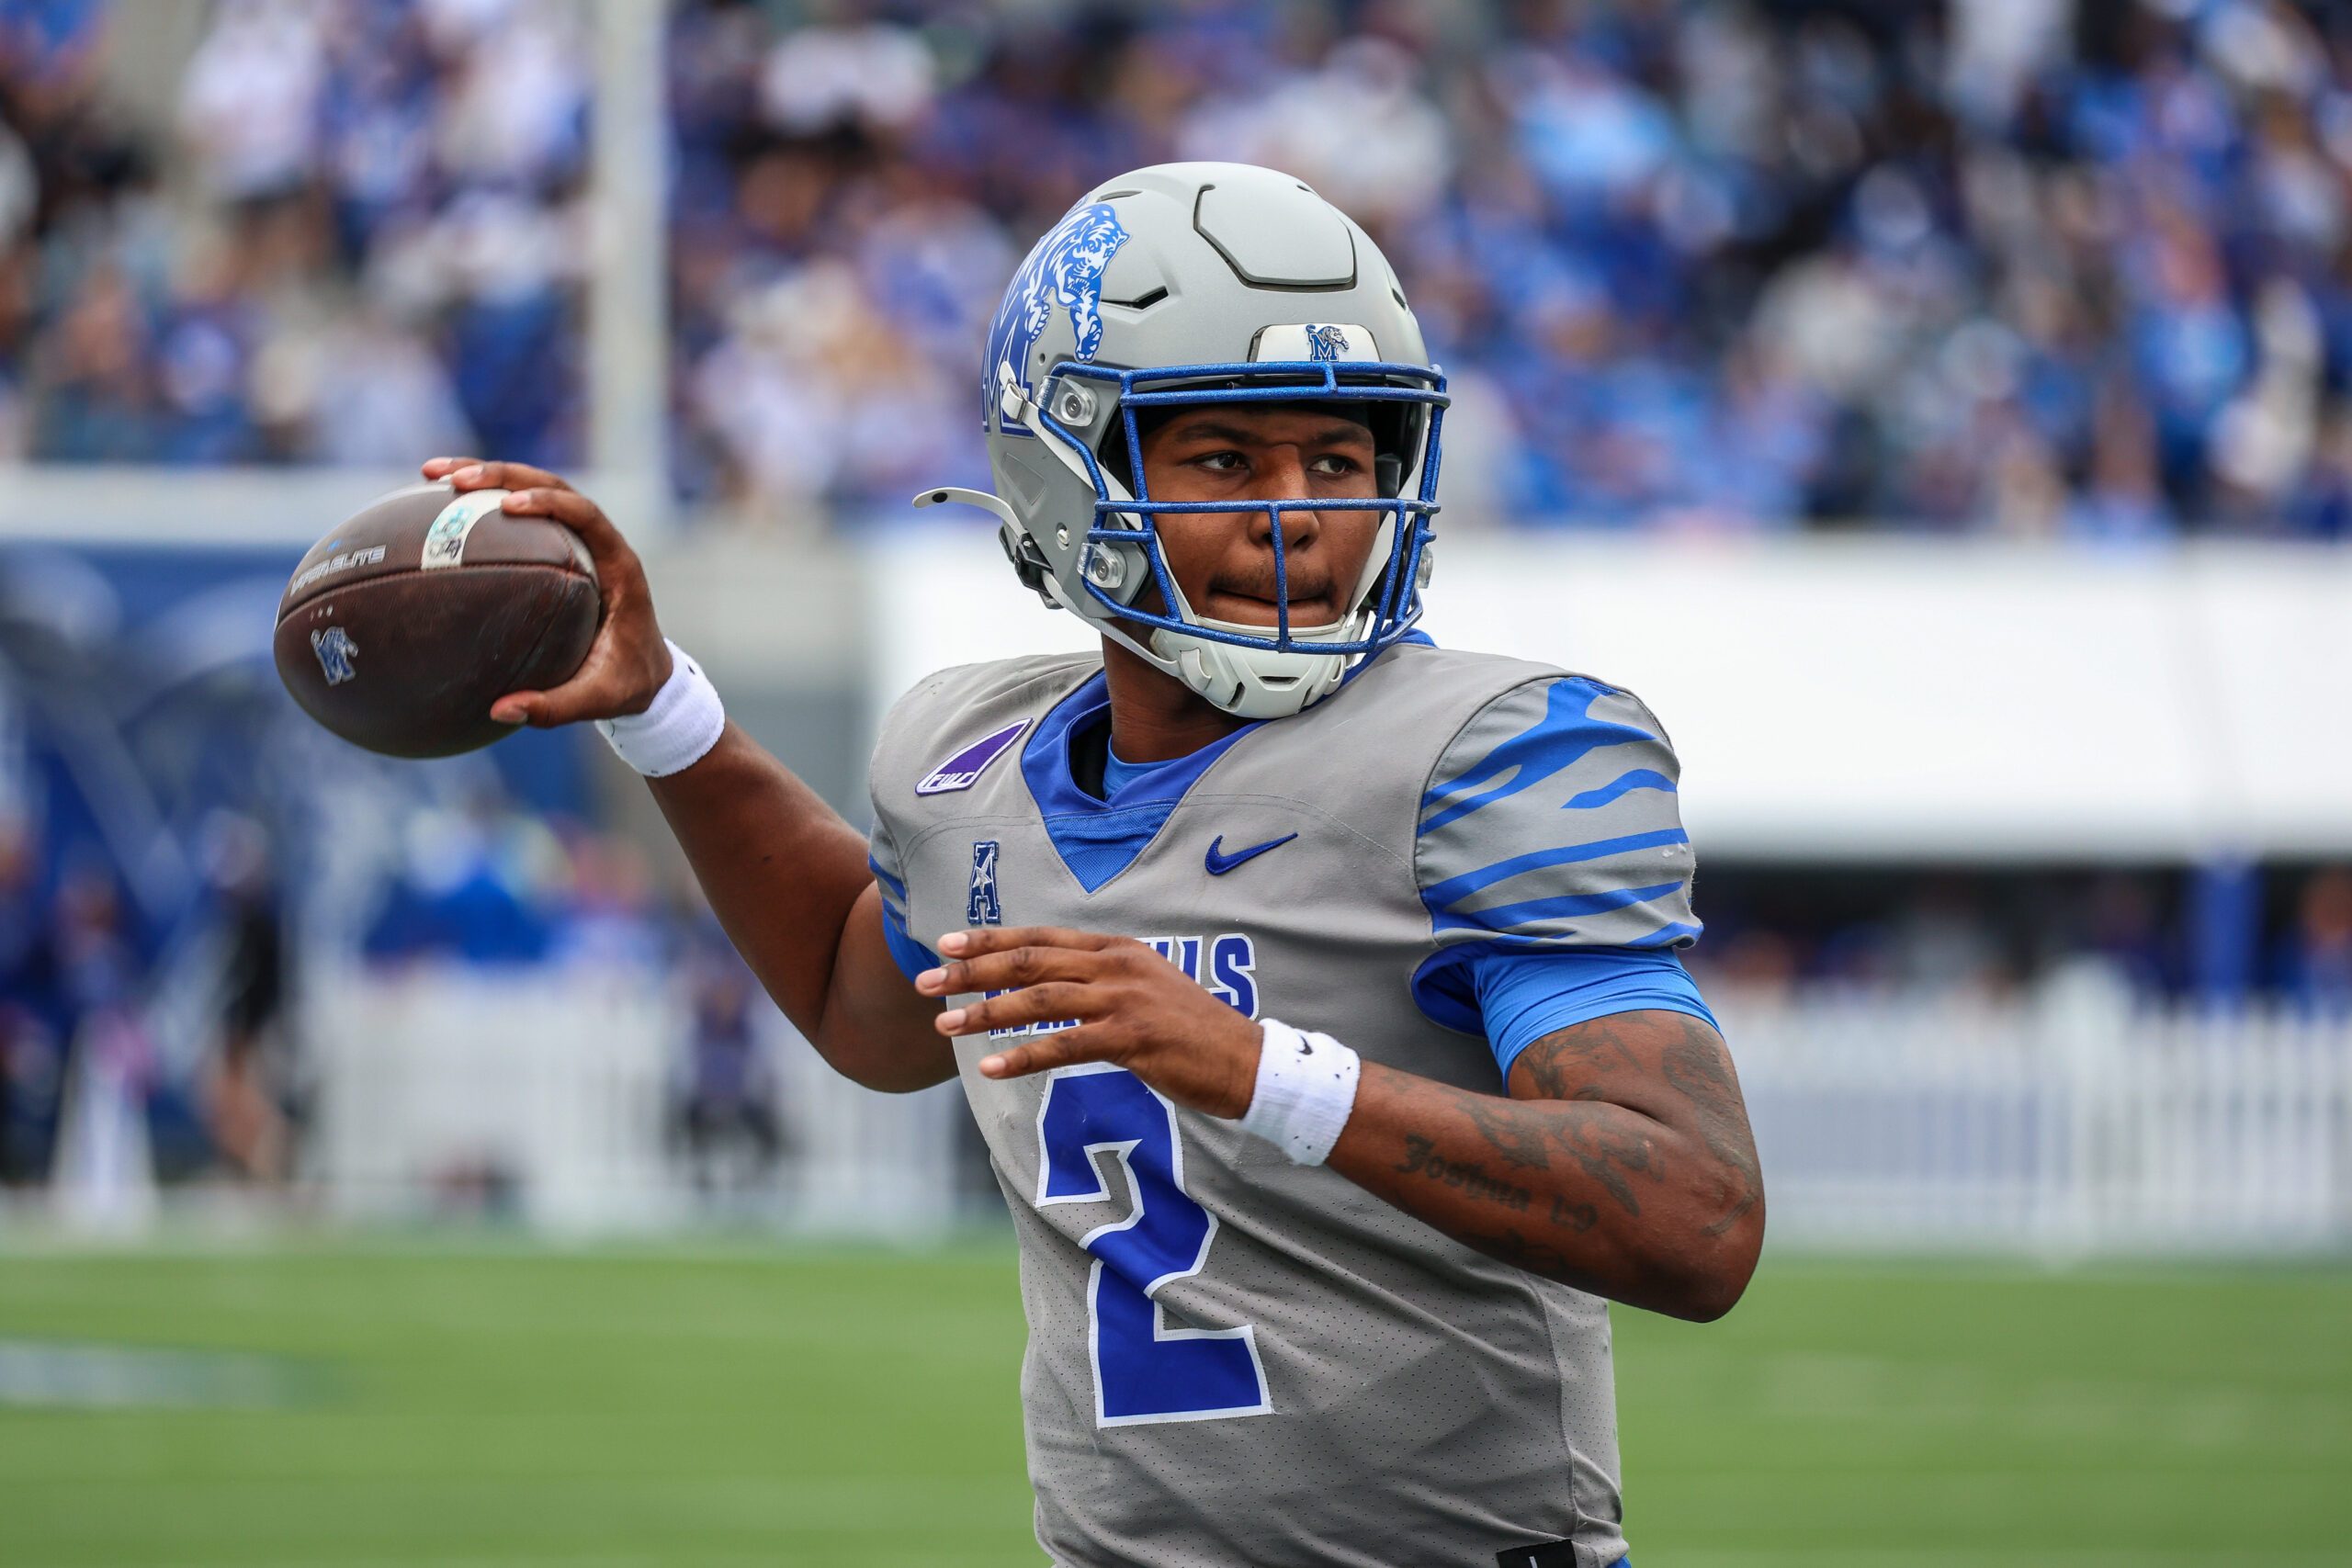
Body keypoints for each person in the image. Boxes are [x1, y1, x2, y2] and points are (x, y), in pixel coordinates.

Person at [421, 162, 1763, 1568]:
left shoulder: (1494, 755)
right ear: (1071, 474)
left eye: (1340, 459)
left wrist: (1262, 1071)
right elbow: (856, 1006)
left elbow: (1697, 1219)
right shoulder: (969, 763)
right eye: (1226, 459)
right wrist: (664, 712)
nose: (1299, 511)